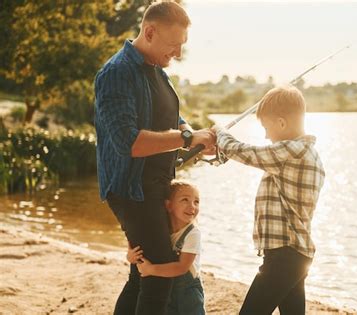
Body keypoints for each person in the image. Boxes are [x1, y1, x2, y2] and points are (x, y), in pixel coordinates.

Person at [94, 2, 215, 314]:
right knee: (160, 273)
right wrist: (188, 137)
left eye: (182, 46)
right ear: (149, 32)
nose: (177, 53)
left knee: (141, 272)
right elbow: (128, 143)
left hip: (156, 186)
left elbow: (168, 115)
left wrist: (191, 133)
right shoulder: (117, 73)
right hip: (132, 191)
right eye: (174, 44)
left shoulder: (156, 70)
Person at [213, 86, 325, 315]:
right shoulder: (305, 153)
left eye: (266, 128)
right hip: (295, 255)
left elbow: (246, 153)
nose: (266, 136)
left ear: (282, 123)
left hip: (285, 255)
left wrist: (219, 133)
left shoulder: (291, 152)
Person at [127, 180, 205, 315]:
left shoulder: (193, 234)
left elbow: (182, 267)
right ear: (168, 205)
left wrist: (151, 269)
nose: (192, 206)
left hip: (187, 293)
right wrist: (130, 256)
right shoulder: (162, 230)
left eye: (196, 202)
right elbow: (133, 248)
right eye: (185, 200)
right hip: (168, 290)